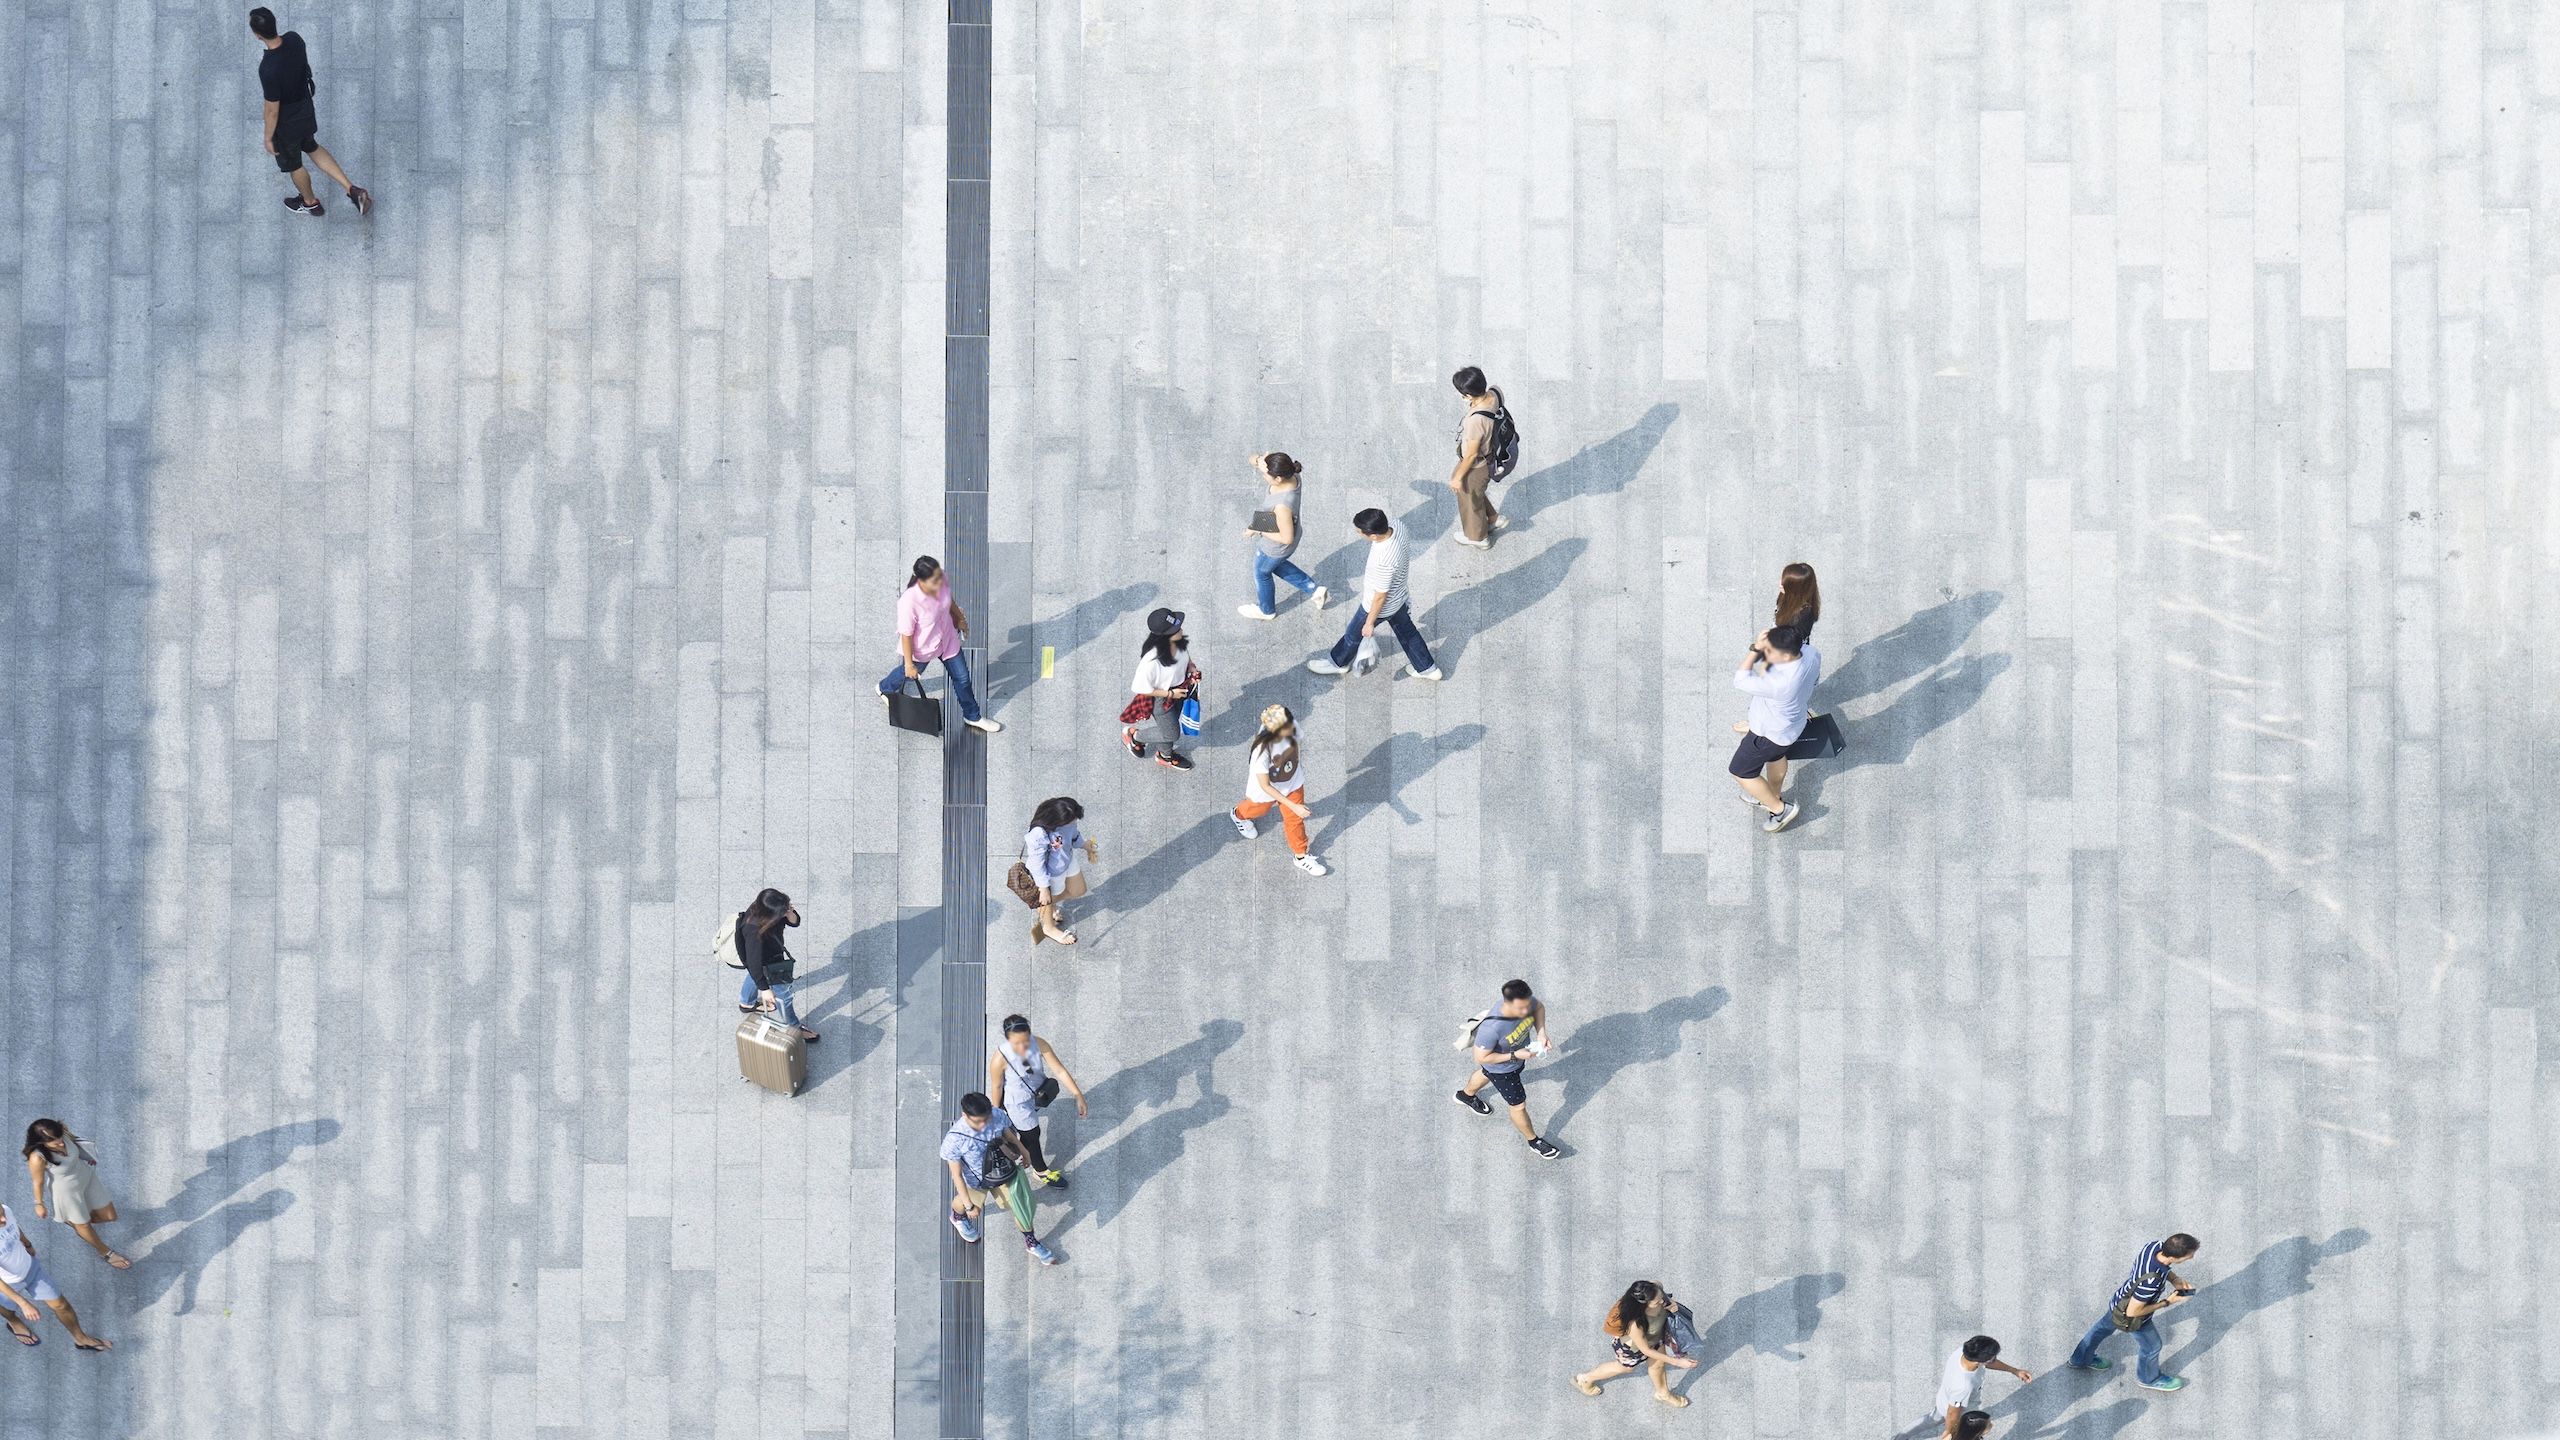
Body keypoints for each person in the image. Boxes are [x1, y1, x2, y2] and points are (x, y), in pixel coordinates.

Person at [250, 8, 372, 218]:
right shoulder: (294, 39)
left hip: (287, 124)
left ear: (257, 35)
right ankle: (352, 190)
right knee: (311, 145)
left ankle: (310, 203)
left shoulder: (268, 68)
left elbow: (272, 110)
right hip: (305, 109)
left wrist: (268, 137)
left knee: (294, 164)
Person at [1306, 509, 1441, 680]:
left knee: (1353, 635)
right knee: (1408, 633)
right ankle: (1427, 668)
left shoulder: (1383, 560)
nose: (1358, 533)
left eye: (1360, 531)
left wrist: (1369, 623)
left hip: (1378, 606)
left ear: (1374, 536)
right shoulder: (1398, 526)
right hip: (1399, 598)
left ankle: (1337, 663)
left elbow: (1380, 597)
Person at [879, 556, 1001, 734]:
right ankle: (885, 687)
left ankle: (972, 715)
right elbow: (906, 635)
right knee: (910, 673)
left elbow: (949, 599)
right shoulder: (909, 602)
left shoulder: (940, 578)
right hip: (923, 648)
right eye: (934, 580)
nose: (940, 582)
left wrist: (960, 619)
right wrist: (909, 664)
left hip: (947, 639)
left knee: (962, 678)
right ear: (921, 580)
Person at [2067, 1233, 2200, 1391]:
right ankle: (2149, 1378)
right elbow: (2133, 1312)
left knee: (2101, 1329)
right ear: (2173, 1257)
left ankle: (2080, 1359)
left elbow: (2162, 1267)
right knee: (2152, 1347)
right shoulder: (2151, 1283)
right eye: (2189, 1255)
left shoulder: (2153, 1246)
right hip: (2132, 1318)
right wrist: (2167, 1302)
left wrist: (2174, 1279)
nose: (2191, 1257)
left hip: (2119, 1302)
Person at [939, 1093, 1060, 1266]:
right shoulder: (954, 1140)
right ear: (964, 1115)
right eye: (978, 1122)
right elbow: (956, 1175)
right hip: (977, 1180)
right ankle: (958, 1216)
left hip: (1003, 1171)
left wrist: (1024, 1152)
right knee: (967, 1204)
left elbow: (1008, 1135)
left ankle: (1031, 1242)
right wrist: (969, 1206)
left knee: (1021, 1207)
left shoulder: (996, 1114)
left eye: (986, 1119)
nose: (984, 1125)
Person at [1453, 979, 1561, 1159]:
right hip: (1502, 1070)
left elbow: (1539, 1007)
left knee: (1486, 1073)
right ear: (1507, 1003)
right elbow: (1481, 1057)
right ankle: (1534, 1141)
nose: (1526, 1012)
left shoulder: (1526, 1002)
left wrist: (1542, 1033)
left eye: (1527, 1006)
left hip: (1515, 1060)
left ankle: (1465, 1096)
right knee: (1518, 1106)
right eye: (1521, 1009)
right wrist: (1515, 1055)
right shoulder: (1492, 1029)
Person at [1730, 622, 1821, 833]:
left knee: (1741, 771)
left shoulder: (1779, 682)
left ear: (1786, 656)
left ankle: (1779, 809)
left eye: (1771, 651)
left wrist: (1755, 649)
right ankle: (1771, 793)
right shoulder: (1811, 653)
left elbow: (1740, 680)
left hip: (1767, 733)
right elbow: (1814, 681)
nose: (1766, 653)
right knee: (1777, 756)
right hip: (1791, 726)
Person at [987, 1015, 1088, 1188]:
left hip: (1036, 1093)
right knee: (1032, 1135)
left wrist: (1078, 1095)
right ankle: (1040, 1171)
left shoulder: (1039, 1043)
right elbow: (997, 1086)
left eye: (1026, 1041)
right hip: (1017, 1102)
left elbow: (1059, 1070)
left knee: (1028, 1133)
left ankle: (1018, 1147)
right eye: (1016, 1043)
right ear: (1007, 1039)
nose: (1022, 1047)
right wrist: (996, 1113)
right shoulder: (1000, 1058)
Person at [1230, 705, 1327, 876]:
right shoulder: (1261, 751)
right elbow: (1265, 785)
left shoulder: (1290, 726)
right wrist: (1293, 805)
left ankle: (1301, 856)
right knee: (1258, 809)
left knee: (1295, 820)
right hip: (1267, 790)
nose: (1291, 729)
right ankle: (1238, 815)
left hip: (1292, 781)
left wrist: (1293, 806)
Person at [0, 1200, 108, 1350]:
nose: (3, 1219)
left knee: (61, 1305)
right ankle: (14, 1322)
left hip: (30, 1267)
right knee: (6, 1308)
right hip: (5, 1284)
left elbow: (14, 1227)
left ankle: (81, 1338)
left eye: (2, 1212)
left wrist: (27, 1244)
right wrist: (24, 1304)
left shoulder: (5, 1211)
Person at [19, 1123, 128, 1270]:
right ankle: (105, 1251)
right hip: (66, 1192)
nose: (60, 1142)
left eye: (59, 1137)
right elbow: (37, 1182)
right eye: (53, 1141)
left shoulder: (61, 1131)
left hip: (86, 1177)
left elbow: (75, 1142)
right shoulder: (37, 1157)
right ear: (40, 1142)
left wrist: (86, 1154)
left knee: (109, 1216)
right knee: (83, 1224)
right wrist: (39, 1203)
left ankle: (75, 1222)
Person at [1571, 1280, 1695, 1405]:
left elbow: (1657, 1289)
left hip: (1656, 1338)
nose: (1662, 1302)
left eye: (1662, 1297)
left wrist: (1670, 1304)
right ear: (1643, 1306)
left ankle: (1663, 1394)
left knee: (1658, 1365)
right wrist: (1677, 1362)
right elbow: (1646, 1350)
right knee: (1625, 1368)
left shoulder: (1654, 1289)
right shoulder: (1634, 1324)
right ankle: (1585, 1379)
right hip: (1632, 1348)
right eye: (1657, 1302)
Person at [1238, 452, 1327, 620]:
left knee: (1261, 573)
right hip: (1286, 532)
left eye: (1266, 475)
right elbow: (1252, 459)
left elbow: (1286, 538)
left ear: (1278, 478)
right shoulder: (1292, 474)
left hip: (1275, 546)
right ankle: (1314, 590)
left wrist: (1257, 528)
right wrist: (1259, 461)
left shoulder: (1282, 505)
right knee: (1274, 566)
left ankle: (1266, 611)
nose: (1263, 476)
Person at [732, 888, 818, 1044]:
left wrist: (789, 914)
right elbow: (753, 963)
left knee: (755, 975)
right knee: (784, 996)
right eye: (783, 910)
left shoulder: (765, 908)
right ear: (771, 915)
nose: (787, 910)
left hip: (767, 958)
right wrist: (765, 990)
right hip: (769, 962)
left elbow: (795, 922)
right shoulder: (753, 930)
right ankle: (794, 1027)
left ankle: (746, 1003)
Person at [1121, 608, 1199, 770]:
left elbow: (1185, 655)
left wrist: (1191, 666)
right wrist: (1170, 693)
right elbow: (1140, 687)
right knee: (1171, 733)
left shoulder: (1178, 642)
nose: (1181, 630)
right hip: (1162, 699)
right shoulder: (1151, 660)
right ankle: (1135, 736)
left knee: (1170, 726)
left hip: (1179, 691)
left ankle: (1165, 755)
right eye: (1176, 630)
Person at [1021, 797, 1098, 946]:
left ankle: (1046, 907)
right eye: (1071, 821)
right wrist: (1043, 888)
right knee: (1048, 898)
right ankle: (1048, 928)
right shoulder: (1039, 834)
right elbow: (1037, 864)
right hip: (1050, 873)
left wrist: (1084, 844)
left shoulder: (1069, 820)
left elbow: (1073, 835)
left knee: (1079, 890)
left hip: (1067, 860)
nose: (1074, 822)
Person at [1447, 367, 1511, 549]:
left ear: (1468, 395)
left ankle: (1478, 538)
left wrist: (1458, 478)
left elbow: (1472, 454)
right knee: (1475, 494)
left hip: (1477, 465)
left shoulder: (1476, 421)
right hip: (1491, 456)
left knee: (1468, 496)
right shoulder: (1495, 392)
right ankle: (1493, 518)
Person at [1929, 1335, 2032, 1438]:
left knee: (1932, 1419)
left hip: (1943, 1399)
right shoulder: (1964, 1386)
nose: (1995, 1359)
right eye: (1993, 1359)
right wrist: (1950, 1432)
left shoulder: (1965, 1351)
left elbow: (1988, 1363)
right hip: (1962, 1412)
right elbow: (1952, 1413)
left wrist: (2014, 1370)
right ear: (1979, 1361)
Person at [1774, 561, 1820, 639]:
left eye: (1786, 583)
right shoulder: (1784, 596)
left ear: (1795, 589)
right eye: (1782, 579)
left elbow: (1792, 642)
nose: (1780, 585)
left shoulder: (1805, 614)